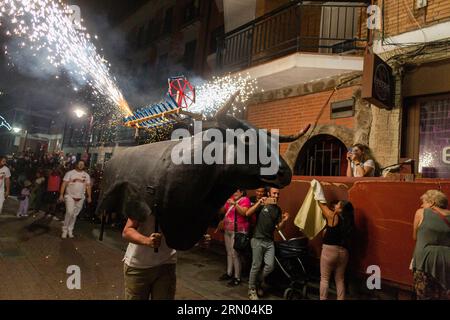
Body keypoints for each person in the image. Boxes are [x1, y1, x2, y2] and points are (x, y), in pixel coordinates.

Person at [246, 187, 289, 300]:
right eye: (274, 193)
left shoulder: (277, 210)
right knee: (256, 265)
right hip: (257, 239)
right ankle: (251, 289)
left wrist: (284, 220)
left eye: (278, 194)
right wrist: (259, 202)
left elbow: (278, 228)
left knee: (270, 266)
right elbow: (247, 213)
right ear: (269, 194)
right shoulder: (262, 204)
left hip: (269, 241)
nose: (276, 195)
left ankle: (258, 282)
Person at [122, 214, 177, 300]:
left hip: (167, 262)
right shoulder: (143, 201)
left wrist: (197, 238)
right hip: (139, 266)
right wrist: (147, 241)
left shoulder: (177, 202)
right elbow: (127, 231)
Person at [412, 190, 450, 300]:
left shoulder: (421, 212)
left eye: (424, 202)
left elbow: (415, 236)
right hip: (447, 262)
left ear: (432, 202)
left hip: (424, 261)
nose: (422, 205)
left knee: (424, 296)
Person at [317, 194, 355, 300]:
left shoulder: (333, 216)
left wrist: (316, 189)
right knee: (340, 279)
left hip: (329, 251)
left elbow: (321, 204)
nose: (335, 206)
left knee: (324, 279)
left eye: (338, 205)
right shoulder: (349, 222)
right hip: (344, 253)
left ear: (341, 209)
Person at [217, 189, 251, 287]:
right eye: (233, 191)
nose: (234, 193)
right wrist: (221, 202)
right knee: (229, 253)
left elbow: (244, 213)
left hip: (238, 231)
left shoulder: (245, 200)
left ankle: (237, 277)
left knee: (235, 254)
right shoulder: (230, 199)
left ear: (242, 192)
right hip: (228, 230)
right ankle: (229, 273)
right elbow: (222, 211)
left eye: (237, 191)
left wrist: (235, 204)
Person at [59, 160, 92, 239]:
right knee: (69, 212)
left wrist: (89, 196)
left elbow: (88, 186)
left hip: (80, 198)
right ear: (76, 164)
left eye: (82, 164)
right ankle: (64, 230)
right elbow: (64, 184)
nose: (81, 165)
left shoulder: (86, 175)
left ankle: (70, 230)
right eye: (79, 164)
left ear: (84, 166)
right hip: (69, 196)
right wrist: (61, 195)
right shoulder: (70, 173)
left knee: (74, 215)